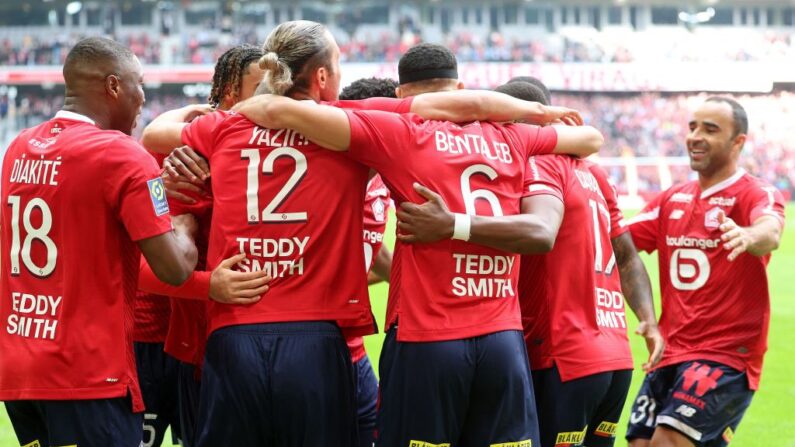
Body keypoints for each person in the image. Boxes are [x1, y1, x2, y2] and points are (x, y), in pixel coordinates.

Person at [234, 44, 604, 447]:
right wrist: (537, 114)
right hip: (502, 339)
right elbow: (589, 137)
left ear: (401, 97)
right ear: (459, 88)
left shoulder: (401, 131)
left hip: (428, 336)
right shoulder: (513, 136)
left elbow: (279, 111)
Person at [0, 37, 198, 447]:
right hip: (86, 376)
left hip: (20, 370)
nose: (144, 98)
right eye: (139, 84)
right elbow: (175, 268)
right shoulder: (121, 155)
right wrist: (185, 218)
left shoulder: (18, 148)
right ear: (113, 86)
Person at [495, 81, 663, 447]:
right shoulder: (594, 173)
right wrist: (648, 319)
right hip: (614, 357)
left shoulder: (537, 164)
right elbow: (628, 254)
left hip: (562, 357)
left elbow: (541, 232)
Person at [625, 97, 785, 447]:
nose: (696, 136)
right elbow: (619, 242)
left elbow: (770, 230)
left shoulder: (754, 193)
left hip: (725, 355)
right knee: (640, 443)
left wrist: (747, 234)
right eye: (693, 127)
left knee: (666, 443)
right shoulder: (672, 199)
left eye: (710, 130)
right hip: (670, 351)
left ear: (737, 141)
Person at [134, 44, 269, 447]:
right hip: (175, 342)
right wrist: (208, 285)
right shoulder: (185, 161)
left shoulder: (274, 145)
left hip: (248, 341)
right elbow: (143, 268)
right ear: (231, 93)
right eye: (261, 86)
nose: (273, 97)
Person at [338, 77, 398, 447]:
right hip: (319, 349)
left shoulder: (380, 181)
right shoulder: (331, 178)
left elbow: (374, 257)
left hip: (356, 351)